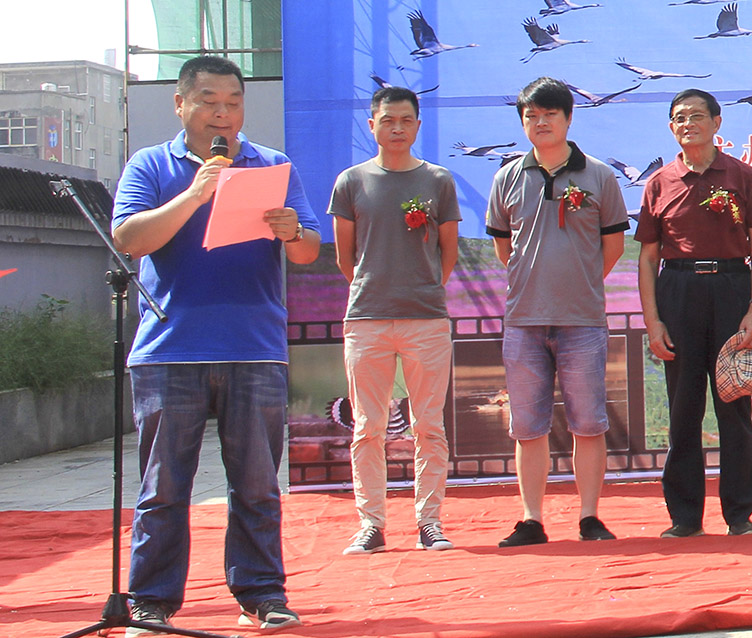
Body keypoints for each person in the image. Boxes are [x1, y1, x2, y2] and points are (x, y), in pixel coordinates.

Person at [112, 55, 320, 636]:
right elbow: (129, 238)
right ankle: (151, 601)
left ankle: (262, 594)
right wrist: (196, 195)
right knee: (163, 487)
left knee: (256, 484)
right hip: (170, 350)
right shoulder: (150, 164)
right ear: (181, 104)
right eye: (209, 102)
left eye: (233, 102)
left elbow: (307, 250)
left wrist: (292, 231)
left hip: (254, 347)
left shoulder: (272, 165)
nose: (222, 114)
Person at [485, 77, 628, 546]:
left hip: (582, 320)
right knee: (528, 427)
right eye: (531, 116)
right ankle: (531, 520)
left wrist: (576, 284)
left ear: (568, 118)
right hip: (523, 320)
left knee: (588, 423)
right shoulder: (507, 177)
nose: (540, 122)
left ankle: (590, 517)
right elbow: (504, 248)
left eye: (550, 114)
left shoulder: (599, 176)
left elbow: (612, 246)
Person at [328, 86, 461, 555]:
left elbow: (448, 253)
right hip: (367, 318)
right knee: (368, 426)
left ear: (418, 125)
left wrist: (421, 289)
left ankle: (430, 521)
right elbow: (346, 258)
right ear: (372, 125)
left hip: (426, 319)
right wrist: (377, 290)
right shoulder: (351, 181)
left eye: (406, 120)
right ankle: (371, 523)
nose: (397, 128)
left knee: (429, 426)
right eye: (388, 120)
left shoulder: (438, 180)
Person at [635, 88, 752, 538]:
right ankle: (685, 517)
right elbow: (648, 258)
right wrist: (654, 320)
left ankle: (739, 515)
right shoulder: (659, 182)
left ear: (716, 123)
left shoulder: (741, 175)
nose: (688, 123)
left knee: (734, 406)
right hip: (678, 292)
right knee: (683, 409)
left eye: (696, 115)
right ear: (670, 127)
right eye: (679, 117)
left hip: (732, 289)